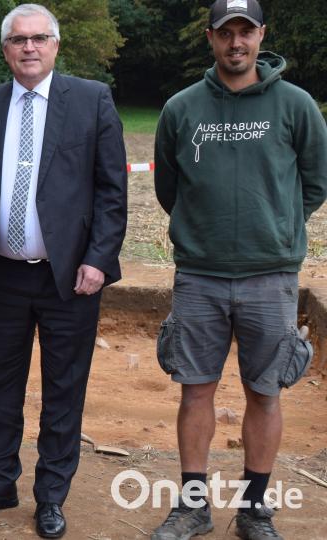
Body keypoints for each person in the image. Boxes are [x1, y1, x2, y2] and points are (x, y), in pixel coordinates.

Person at [0, 4, 128, 537]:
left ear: (55, 45)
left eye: (39, 38)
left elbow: (113, 190)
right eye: (18, 40)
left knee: (63, 390)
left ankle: (51, 495)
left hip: (69, 278)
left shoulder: (91, 100)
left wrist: (98, 259)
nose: (29, 47)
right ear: (5, 49)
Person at [151, 1, 327, 539]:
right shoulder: (181, 109)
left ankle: (254, 510)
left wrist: (274, 229)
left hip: (270, 277)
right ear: (210, 38)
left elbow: (315, 184)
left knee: (265, 392)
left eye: (245, 33)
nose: (236, 44)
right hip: (200, 276)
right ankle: (194, 506)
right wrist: (204, 235)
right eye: (225, 33)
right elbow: (168, 190)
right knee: (195, 390)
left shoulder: (295, 105)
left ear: (260, 36)